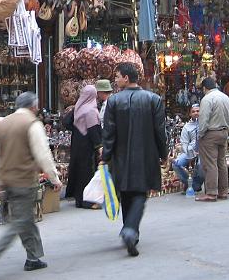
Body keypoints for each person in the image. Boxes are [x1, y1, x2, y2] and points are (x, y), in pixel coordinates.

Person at [0, 92, 62, 280]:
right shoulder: (32, 124)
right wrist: (54, 178)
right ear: (33, 107)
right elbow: (43, 154)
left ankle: (33, 258)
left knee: (26, 218)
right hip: (24, 179)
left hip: (8, 180)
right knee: (20, 221)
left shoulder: (4, 123)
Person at [101, 63, 167, 257]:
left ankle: (130, 230)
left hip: (120, 157)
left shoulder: (113, 102)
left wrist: (105, 156)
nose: (115, 79)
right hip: (146, 155)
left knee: (127, 193)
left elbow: (109, 133)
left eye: (118, 76)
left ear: (127, 78)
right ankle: (130, 230)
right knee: (140, 193)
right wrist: (163, 153)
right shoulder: (153, 99)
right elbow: (159, 131)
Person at [64, 85, 102, 209]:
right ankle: (88, 200)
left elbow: (67, 123)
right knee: (87, 172)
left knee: (78, 171)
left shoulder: (78, 108)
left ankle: (79, 199)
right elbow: (93, 130)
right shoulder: (91, 110)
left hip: (76, 143)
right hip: (87, 146)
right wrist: (99, 146)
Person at [196, 77, 229, 202]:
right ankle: (223, 191)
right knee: (221, 163)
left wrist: (200, 134)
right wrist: (227, 130)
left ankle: (211, 192)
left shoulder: (207, 99)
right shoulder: (225, 97)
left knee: (210, 163)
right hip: (223, 132)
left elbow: (204, 119)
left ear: (205, 88)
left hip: (211, 133)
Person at [171, 104, 203, 193]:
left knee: (201, 165)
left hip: (204, 151)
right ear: (190, 114)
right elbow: (184, 143)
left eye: (198, 111)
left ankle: (196, 184)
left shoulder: (205, 123)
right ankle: (192, 184)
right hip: (190, 150)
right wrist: (191, 152)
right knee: (176, 164)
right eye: (193, 111)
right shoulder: (187, 127)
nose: (196, 113)